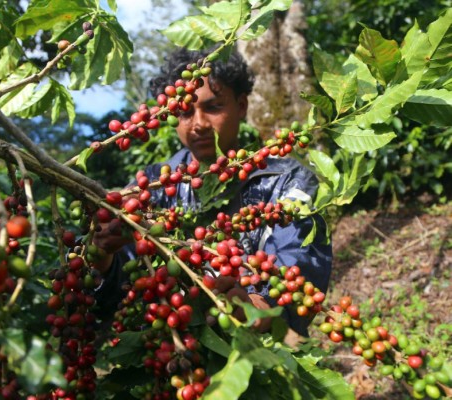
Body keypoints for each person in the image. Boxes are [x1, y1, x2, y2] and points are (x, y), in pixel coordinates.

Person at [92, 47, 332, 337]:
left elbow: (299, 260)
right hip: (175, 350)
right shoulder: (153, 185)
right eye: (184, 112)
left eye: (213, 107)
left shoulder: (287, 181)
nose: (199, 125)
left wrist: (259, 304)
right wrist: (103, 258)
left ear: (241, 105)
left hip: (258, 351)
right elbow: (125, 281)